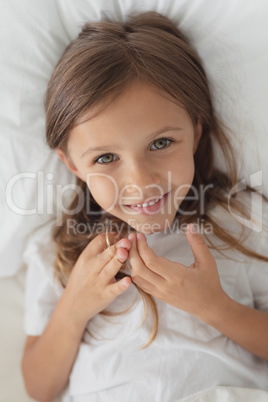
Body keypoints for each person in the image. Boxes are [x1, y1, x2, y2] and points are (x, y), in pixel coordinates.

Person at [21, 10, 268, 402]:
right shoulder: (60, 252)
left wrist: (215, 307)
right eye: (105, 158)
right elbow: (38, 387)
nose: (141, 182)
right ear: (72, 165)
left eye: (160, 143)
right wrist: (74, 308)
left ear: (196, 132)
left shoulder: (241, 222)